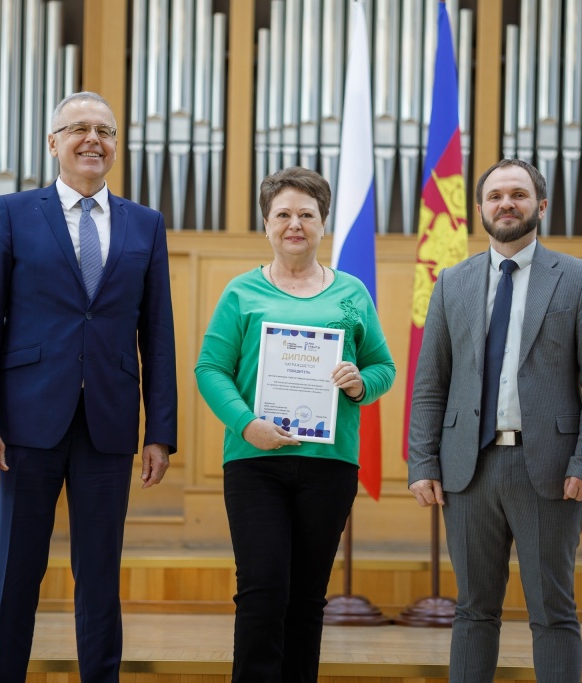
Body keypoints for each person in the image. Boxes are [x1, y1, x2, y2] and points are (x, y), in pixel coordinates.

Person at [0, 91, 177, 683]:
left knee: (101, 576)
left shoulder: (145, 224)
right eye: (77, 128)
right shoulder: (11, 213)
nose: (92, 140)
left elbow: (157, 334)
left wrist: (160, 430)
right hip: (24, 423)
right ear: (52, 142)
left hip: (107, 425)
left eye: (104, 129)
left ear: (115, 144)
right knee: (17, 573)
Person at [406, 159, 582, 683]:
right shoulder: (451, 283)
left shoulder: (578, 279)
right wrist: (422, 461)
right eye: (496, 195)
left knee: (552, 611)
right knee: (474, 610)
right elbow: (430, 383)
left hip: (548, 469)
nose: (507, 203)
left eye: (519, 195)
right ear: (480, 209)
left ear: (540, 207)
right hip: (468, 470)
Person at [195, 166, 395, 682]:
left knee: (307, 599)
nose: (294, 224)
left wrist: (359, 383)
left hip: (329, 465)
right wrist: (246, 424)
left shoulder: (351, 293)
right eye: (283, 214)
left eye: (306, 214)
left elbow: (383, 368)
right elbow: (210, 369)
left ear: (323, 223)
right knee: (262, 591)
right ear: (266, 223)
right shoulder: (241, 293)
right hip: (255, 462)